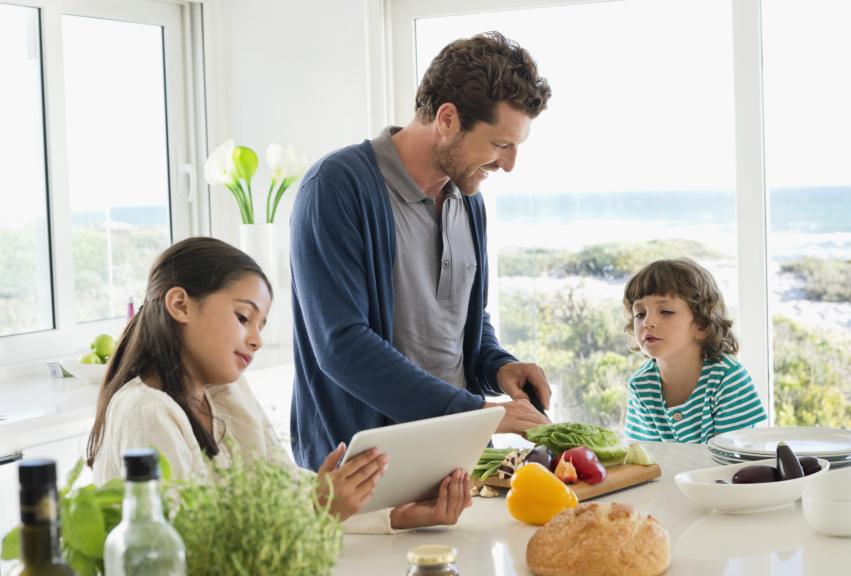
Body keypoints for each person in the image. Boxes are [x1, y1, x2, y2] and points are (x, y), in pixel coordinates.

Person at [290, 32, 555, 470]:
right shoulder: (336, 188)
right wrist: (476, 414)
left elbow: (462, 319)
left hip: (454, 461)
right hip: (360, 473)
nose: (508, 165)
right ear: (448, 118)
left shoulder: (468, 199)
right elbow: (342, 345)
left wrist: (498, 367)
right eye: (499, 144)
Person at [86, 237, 471, 533]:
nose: (255, 339)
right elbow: (187, 549)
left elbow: (286, 493)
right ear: (180, 305)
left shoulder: (226, 394)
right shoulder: (145, 411)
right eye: (243, 318)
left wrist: (396, 515)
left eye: (261, 326)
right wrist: (318, 510)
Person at [622, 258, 766, 443]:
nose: (647, 322)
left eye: (665, 311)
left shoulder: (727, 378)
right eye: (640, 314)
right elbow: (645, 457)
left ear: (702, 325)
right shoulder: (640, 384)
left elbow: (732, 461)